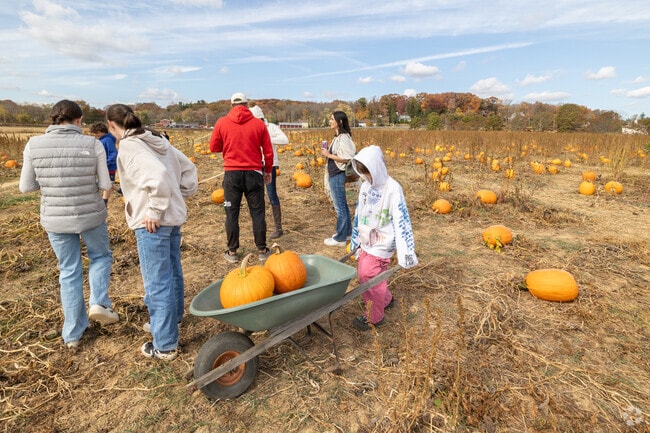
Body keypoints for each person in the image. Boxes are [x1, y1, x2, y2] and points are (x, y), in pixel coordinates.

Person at [19, 100, 119, 349]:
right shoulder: (92, 144)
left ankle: (73, 333)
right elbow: (106, 185)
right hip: (91, 215)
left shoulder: (34, 144)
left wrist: (52, 184)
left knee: (69, 271)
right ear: (80, 120)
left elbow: (26, 187)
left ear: (54, 119)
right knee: (100, 257)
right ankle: (99, 302)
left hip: (55, 218)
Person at [105, 103, 198, 361]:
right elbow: (188, 168)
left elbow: (156, 175)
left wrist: (154, 210)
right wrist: (182, 192)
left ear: (112, 125)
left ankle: (165, 345)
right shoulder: (155, 139)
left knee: (157, 281)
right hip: (172, 218)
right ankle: (171, 322)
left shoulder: (130, 146)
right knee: (172, 271)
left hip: (153, 223)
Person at [348, 145, 418, 331]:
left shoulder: (394, 189)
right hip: (366, 240)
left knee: (369, 276)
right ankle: (386, 299)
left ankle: (375, 316)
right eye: (363, 174)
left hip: (382, 242)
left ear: (377, 168)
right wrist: (355, 239)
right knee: (368, 275)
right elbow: (359, 212)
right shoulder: (365, 186)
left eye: (369, 173)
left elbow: (402, 219)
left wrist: (405, 252)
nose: (367, 178)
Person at [209, 93, 274, 264]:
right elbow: (268, 151)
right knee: (258, 212)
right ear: (246, 105)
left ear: (231, 105)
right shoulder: (258, 124)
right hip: (254, 173)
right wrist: (267, 171)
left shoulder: (222, 122)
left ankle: (232, 252)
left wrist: (230, 144)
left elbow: (213, 147)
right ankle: (261, 249)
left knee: (231, 213)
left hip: (232, 175)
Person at [249, 104, 289, 239]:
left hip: (269, 164)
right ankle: (259, 225)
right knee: (256, 195)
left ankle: (278, 228)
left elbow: (285, 140)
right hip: (254, 164)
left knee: (271, 194)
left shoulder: (271, 127)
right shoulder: (250, 127)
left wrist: (266, 139)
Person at [320, 111, 356, 247]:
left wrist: (328, 155)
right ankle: (347, 233)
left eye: (331, 119)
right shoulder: (338, 137)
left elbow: (347, 157)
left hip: (338, 175)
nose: (329, 121)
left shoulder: (344, 138)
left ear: (339, 122)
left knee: (339, 207)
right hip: (335, 174)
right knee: (343, 205)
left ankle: (340, 238)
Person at [89, 122, 119, 205]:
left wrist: (106, 163)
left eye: (97, 133)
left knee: (108, 183)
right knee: (108, 182)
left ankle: (104, 201)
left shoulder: (107, 140)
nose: (95, 135)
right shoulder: (102, 140)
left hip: (109, 166)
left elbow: (113, 153)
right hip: (104, 166)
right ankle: (119, 190)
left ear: (102, 131)